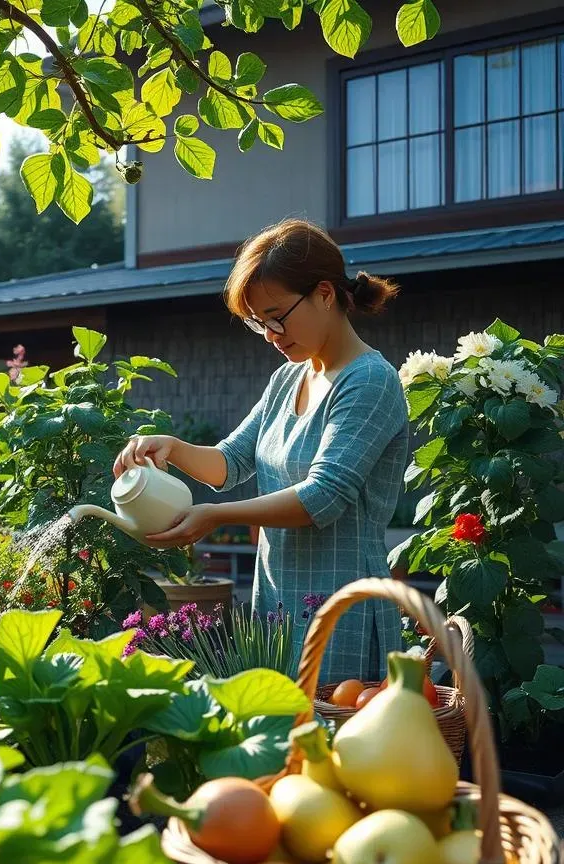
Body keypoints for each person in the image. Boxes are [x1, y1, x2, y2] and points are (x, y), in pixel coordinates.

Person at [113, 219, 409, 683]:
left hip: (340, 603)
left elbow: (323, 495)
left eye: (276, 316)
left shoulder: (368, 380)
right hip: (277, 599)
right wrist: (172, 447)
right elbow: (231, 462)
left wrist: (217, 515)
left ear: (325, 294)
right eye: (258, 322)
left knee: (331, 745)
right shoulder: (287, 378)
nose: (271, 333)